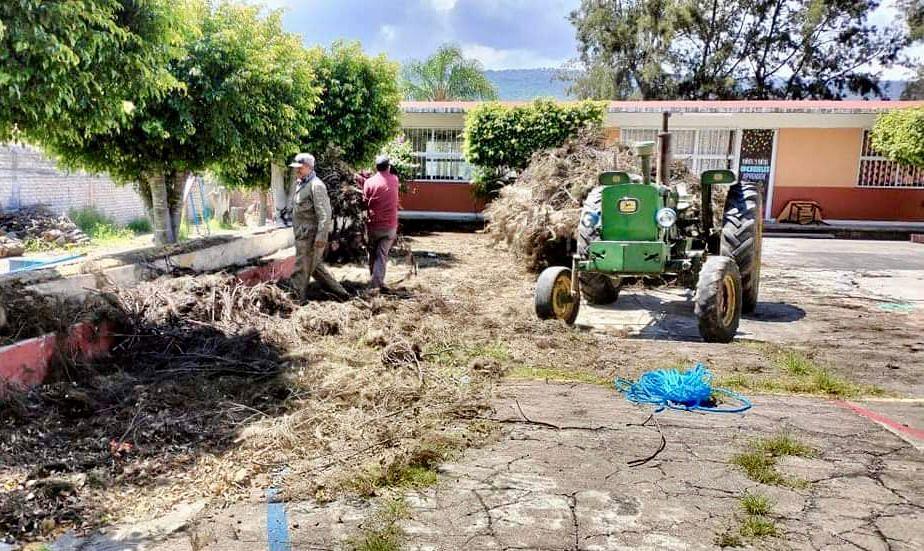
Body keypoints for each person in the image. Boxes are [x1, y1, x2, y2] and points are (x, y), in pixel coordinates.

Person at [288, 153, 350, 300]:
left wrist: (321, 236)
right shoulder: (301, 184)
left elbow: (325, 214)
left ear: (309, 167)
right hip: (302, 234)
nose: (297, 171)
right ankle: (342, 294)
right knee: (315, 268)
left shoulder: (316, 185)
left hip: (311, 236)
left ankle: (295, 299)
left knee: (301, 267)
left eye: (300, 168)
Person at [363, 155, 400, 290]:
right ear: (388, 166)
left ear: (375, 167)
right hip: (390, 226)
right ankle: (376, 283)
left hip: (373, 225)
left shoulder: (369, 182)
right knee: (382, 255)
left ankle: (376, 282)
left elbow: (364, 201)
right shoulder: (395, 180)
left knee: (373, 254)